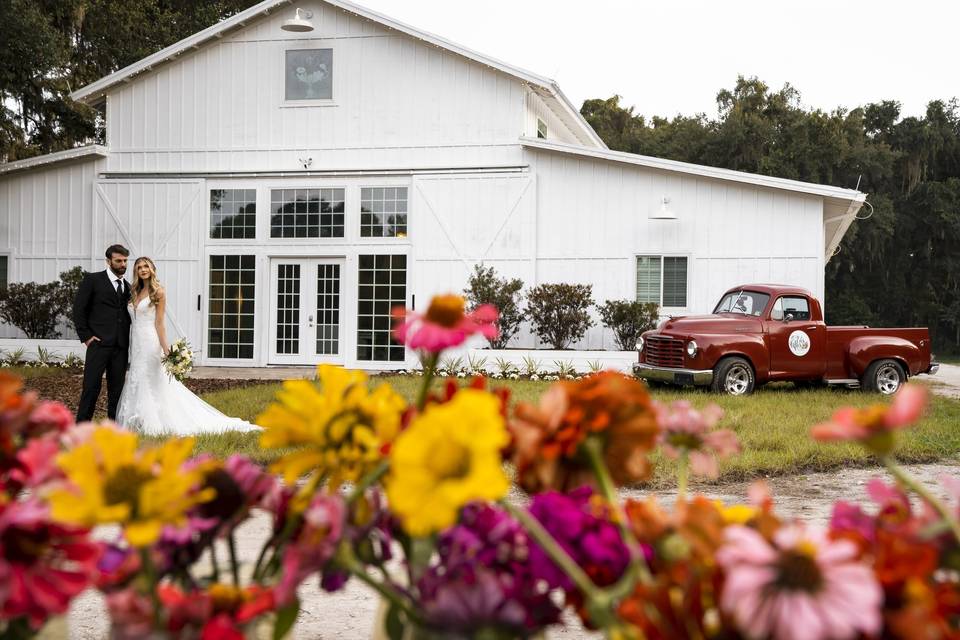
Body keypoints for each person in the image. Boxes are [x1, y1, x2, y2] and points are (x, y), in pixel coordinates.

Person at [115, 257, 256, 435]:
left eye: (146, 266)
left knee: (149, 379)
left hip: (150, 342)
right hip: (135, 343)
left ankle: (154, 423)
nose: (143, 270)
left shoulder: (158, 292)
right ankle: (138, 419)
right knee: (137, 376)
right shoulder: (134, 291)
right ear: (135, 271)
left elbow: (160, 323)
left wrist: (167, 351)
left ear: (152, 269)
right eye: (139, 267)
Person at [74, 245, 132, 422]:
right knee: (91, 387)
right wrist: (86, 337)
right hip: (98, 344)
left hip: (120, 347)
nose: (122, 264)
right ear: (108, 261)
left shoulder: (129, 287)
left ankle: (113, 427)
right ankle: (82, 426)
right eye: (118, 261)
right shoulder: (92, 280)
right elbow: (78, 309)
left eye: (125, 261)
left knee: (117, 390)